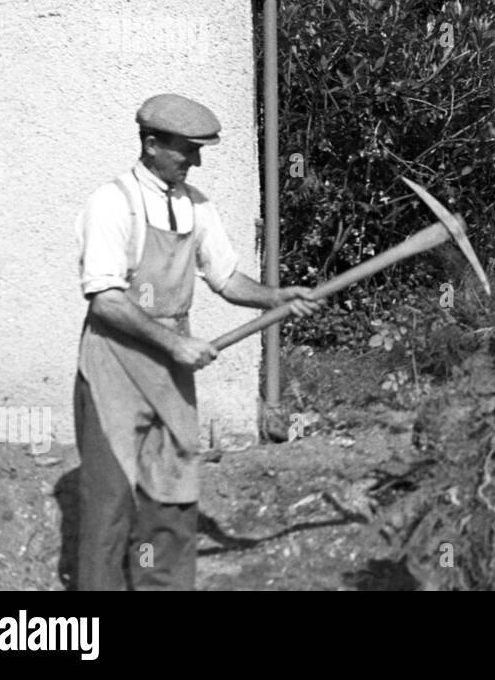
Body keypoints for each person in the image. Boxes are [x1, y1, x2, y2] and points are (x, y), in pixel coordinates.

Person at [74, 93, 320, 590]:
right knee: (111, 502)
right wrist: (173, 343)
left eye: (200, 149)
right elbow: (105, 300)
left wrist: (277, 297)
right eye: (187, 149)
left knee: (172, 497)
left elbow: (226, 279)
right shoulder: (111, 203)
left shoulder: (196, 206)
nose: (197, 160)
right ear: (150, 144)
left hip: (171, 366)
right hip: (114, 368)